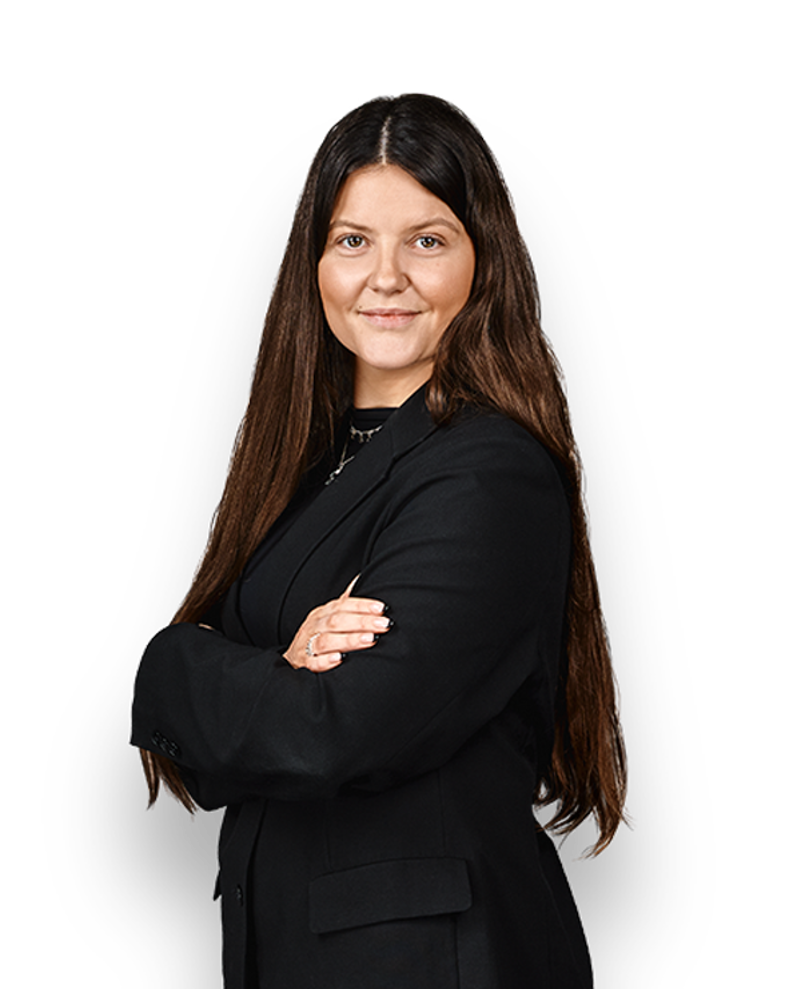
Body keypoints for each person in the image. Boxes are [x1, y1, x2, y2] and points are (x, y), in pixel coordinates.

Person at [130, 92, 630, 988]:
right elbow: (206, 768)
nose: (386, 276)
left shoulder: (490, 472)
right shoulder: (299, 465)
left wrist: (173, 660)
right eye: (354, 240)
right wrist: (278, 677)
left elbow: (334, 732)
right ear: (315, 262)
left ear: (483, 261)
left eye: (427, 240)